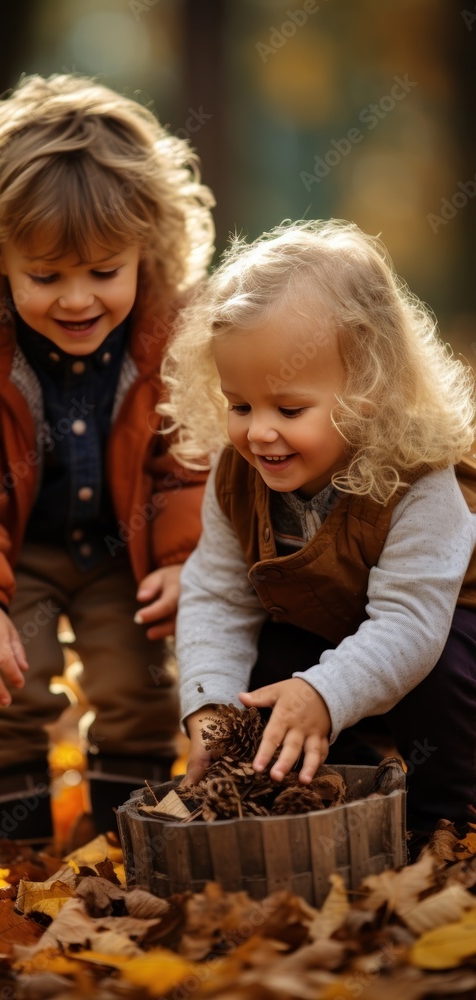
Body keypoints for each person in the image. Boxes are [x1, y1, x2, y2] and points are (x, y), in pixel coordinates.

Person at [0, 73, 215, 846]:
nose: (77, 300)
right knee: (4, 686)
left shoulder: (172, 338)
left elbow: (191, 456)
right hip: (18, 554)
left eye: (103, 272)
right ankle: (14, 862)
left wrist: (186, 558)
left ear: (146, 251)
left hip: (130, 552)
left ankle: (128, 851)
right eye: (45, 277)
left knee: (139, 687)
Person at [160, 219, 476, 843]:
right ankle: (337, 797)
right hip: (338, 636)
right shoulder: (239, 477)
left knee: (442, 671)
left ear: (370, 390)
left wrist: (324, 692)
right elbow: (218, 595)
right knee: (266, 667)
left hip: (443, 634)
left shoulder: (418, 480)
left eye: (289, 408)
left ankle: (447, 823)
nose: (259, 433)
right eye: (240, 405)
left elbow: (410, 623)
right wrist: (211, 704)